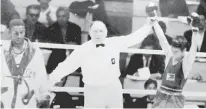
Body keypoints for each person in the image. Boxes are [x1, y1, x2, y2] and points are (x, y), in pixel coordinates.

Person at [49, 19, 153, 108]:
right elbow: (67, 65)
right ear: (90, 33)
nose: (98, 34)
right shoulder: (83, 50)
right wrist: (51, 80)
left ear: (106, 32)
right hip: (93, 90)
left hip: (113, 87)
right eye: (95, 31)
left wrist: (148, 26)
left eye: (101, 31)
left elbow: (133, 38)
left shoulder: (114, 43)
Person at [151, 12, 199, 108]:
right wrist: (154, 22)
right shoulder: (170, 54)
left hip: (175, 101)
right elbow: (162, 39)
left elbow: (193, 49)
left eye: (176, 52)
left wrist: (194, 30)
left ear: (184, 51)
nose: (173, 53)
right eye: (173, 50)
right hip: (161, 97)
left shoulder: (186, 63)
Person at [1, 19, 50, 108]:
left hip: (27, 94)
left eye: (22, 32)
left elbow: (41, 75)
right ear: (9, 32)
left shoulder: (35, 51)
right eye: (16, 33)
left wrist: (42, 94)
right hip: (7, 94)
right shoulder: (2, 51)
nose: (19, 36)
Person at [46, 7, 82, 74]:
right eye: (59, 16)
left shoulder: (76, 28)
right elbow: (50, 47)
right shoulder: (51, 29)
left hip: (72, 57)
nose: (61, 19)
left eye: (63, 16)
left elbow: (78, 45)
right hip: (56, 59)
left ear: (68, 16)